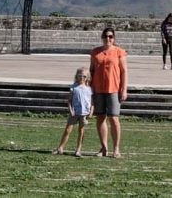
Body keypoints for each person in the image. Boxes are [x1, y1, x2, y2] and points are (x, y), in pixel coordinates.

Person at [89, 26, 128, 158]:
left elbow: (124, 71)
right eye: (106, 36)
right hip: (98, 89)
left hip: (113, 89)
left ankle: (116, 148)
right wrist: (89, 89)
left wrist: (124, 89)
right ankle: (103, 147)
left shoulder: (119, 52)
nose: (108, 39)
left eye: (110, 36)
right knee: (100, 118)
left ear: (114, 38)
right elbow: (91, 71)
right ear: (102, 37)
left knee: (114, 118)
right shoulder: (95, 52)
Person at [53, 67, 92, 157]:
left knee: (81, 131)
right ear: (76, 76)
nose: (81, 78)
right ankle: (60, 148)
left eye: (84, 76)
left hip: (84, 113)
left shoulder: (89, 89)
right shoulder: (73, 87)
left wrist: (91, 111)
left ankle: (78, 149)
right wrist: (71, 110)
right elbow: (69, 101)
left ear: (87, 77)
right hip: (74, 112)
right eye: (79, 75)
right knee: (68, 130)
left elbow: (92, 102)